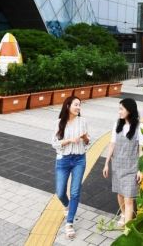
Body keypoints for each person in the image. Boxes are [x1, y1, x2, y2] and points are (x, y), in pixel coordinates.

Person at [102, 98, 143, 227]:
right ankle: (123, 213)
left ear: (129, 110)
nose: (119, 112)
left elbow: (141, 150)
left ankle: (127, 229)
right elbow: (112, 144)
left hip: (132, 167)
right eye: (119, 109)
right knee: (120, 193)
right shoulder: (117, 124)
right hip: (117, 165)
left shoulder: (140, 127)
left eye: (121, 109)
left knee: (129, 198)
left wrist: (140, 169)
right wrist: (106, 163)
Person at [51, 96, 90, 239]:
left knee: (75, 191)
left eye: (79, 105)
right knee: (60, 192)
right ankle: (68, 206)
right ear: (68, 106)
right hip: (63, 160)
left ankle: (69, 223)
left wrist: (85, 138)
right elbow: (54, 143)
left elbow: (87, 142)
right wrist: (69, 140)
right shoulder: (59, 123)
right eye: (76, 105)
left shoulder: (83, 121)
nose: (78, 107)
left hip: (79, 159)